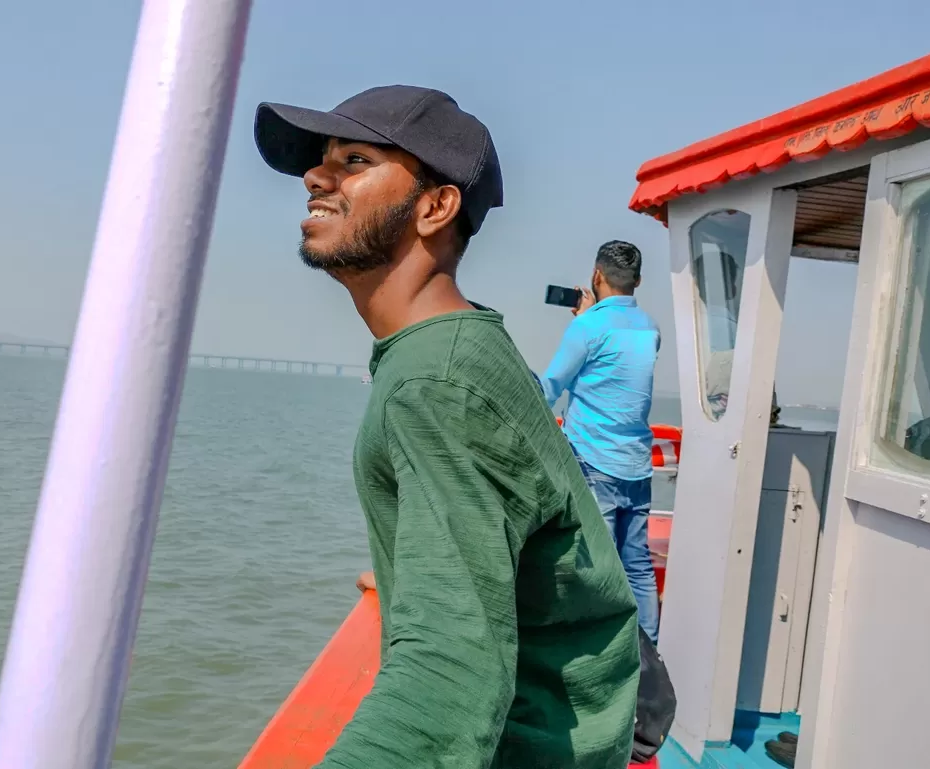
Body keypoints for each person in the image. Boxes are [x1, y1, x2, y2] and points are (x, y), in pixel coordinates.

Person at [254, 85, 639, 767]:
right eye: (323, 160)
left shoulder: (435, 380)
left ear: (435, 206)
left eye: (354, 159)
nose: (317, 175)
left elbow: (447, 677)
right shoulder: (460, 349)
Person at [538, 241, 662, 644]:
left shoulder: (588, 328)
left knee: (597, 562)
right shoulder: (649, 328)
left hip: (594, 463)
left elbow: (549, 387)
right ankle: (649, 654)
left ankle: (600, 651)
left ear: (596, 276)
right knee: (637, 565)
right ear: (638, 281)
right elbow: (616, 371)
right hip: (637, 465)